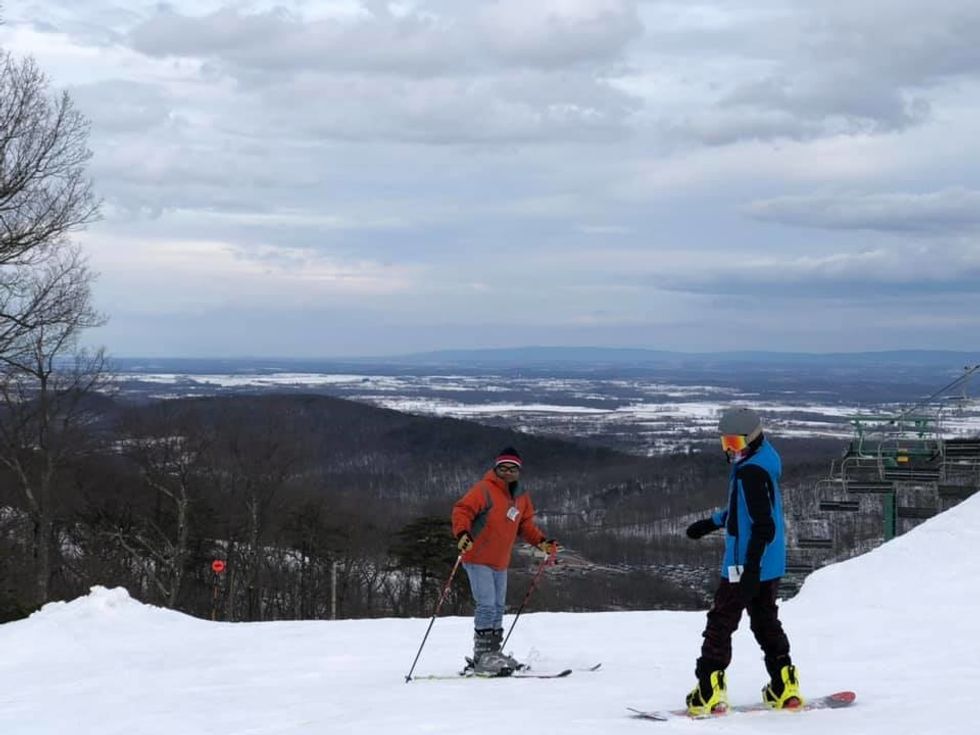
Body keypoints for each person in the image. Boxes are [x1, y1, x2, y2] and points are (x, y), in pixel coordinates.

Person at [683, 407, 804, 715]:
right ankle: (784, 685)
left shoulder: (750, 472)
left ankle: (709, 691)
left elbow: (764, 526)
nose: (729, 451)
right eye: (725, 444)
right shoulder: (760, 460)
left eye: (734, 444)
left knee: (720, 623)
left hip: (745, 564)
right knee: (765, 622)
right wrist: (710, 522)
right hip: (770, 563)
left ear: (751, 439)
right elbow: (744, 512)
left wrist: (750, 569)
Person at [451, 446, 558, 675]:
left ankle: (492, 653)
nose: (507, 472)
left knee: (498, 607)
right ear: (496, 468)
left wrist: (542, 543)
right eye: (503, 467)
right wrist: (462, 534)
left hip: (500, 560)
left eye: (512, 468)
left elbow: (525, 526)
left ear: (519, 471)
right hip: (477, 556)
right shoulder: (485, 489)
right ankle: (482, 657)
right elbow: (462, 510)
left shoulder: (521, 497)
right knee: (487, 605)